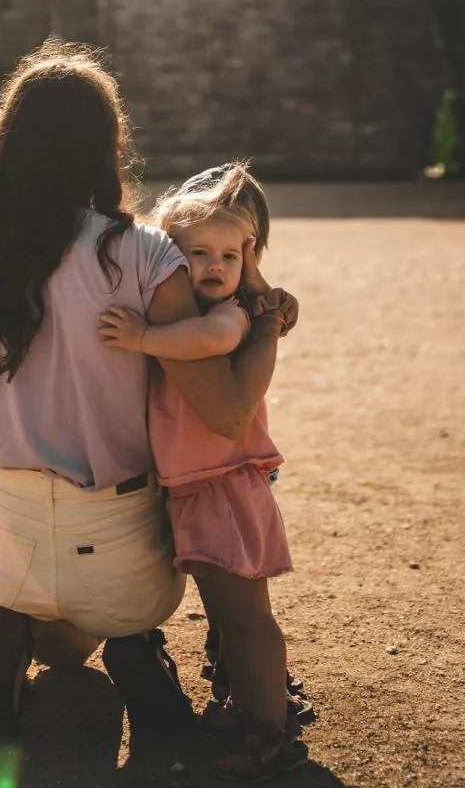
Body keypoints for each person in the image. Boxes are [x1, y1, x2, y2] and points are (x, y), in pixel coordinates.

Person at [0, 41, 288, 742]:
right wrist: (262, 323)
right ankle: (137, 644)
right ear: (104, 146)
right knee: (110, 616)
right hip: (120, 549)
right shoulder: (141, 253)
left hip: (3, 542)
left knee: (47, 630)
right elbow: (224, 412)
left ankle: (8, 640)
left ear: (6, 144)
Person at [99, 163, 306, 782]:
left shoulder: (231, 318)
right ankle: (245, 705)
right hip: (197, 483)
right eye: (198, 255)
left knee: (246, 616)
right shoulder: (185, 316)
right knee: (225, 612)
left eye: (229, 256)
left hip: (222, 482)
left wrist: (140, 338)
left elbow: (211, 340)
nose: (214, 267)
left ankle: (270, 729)